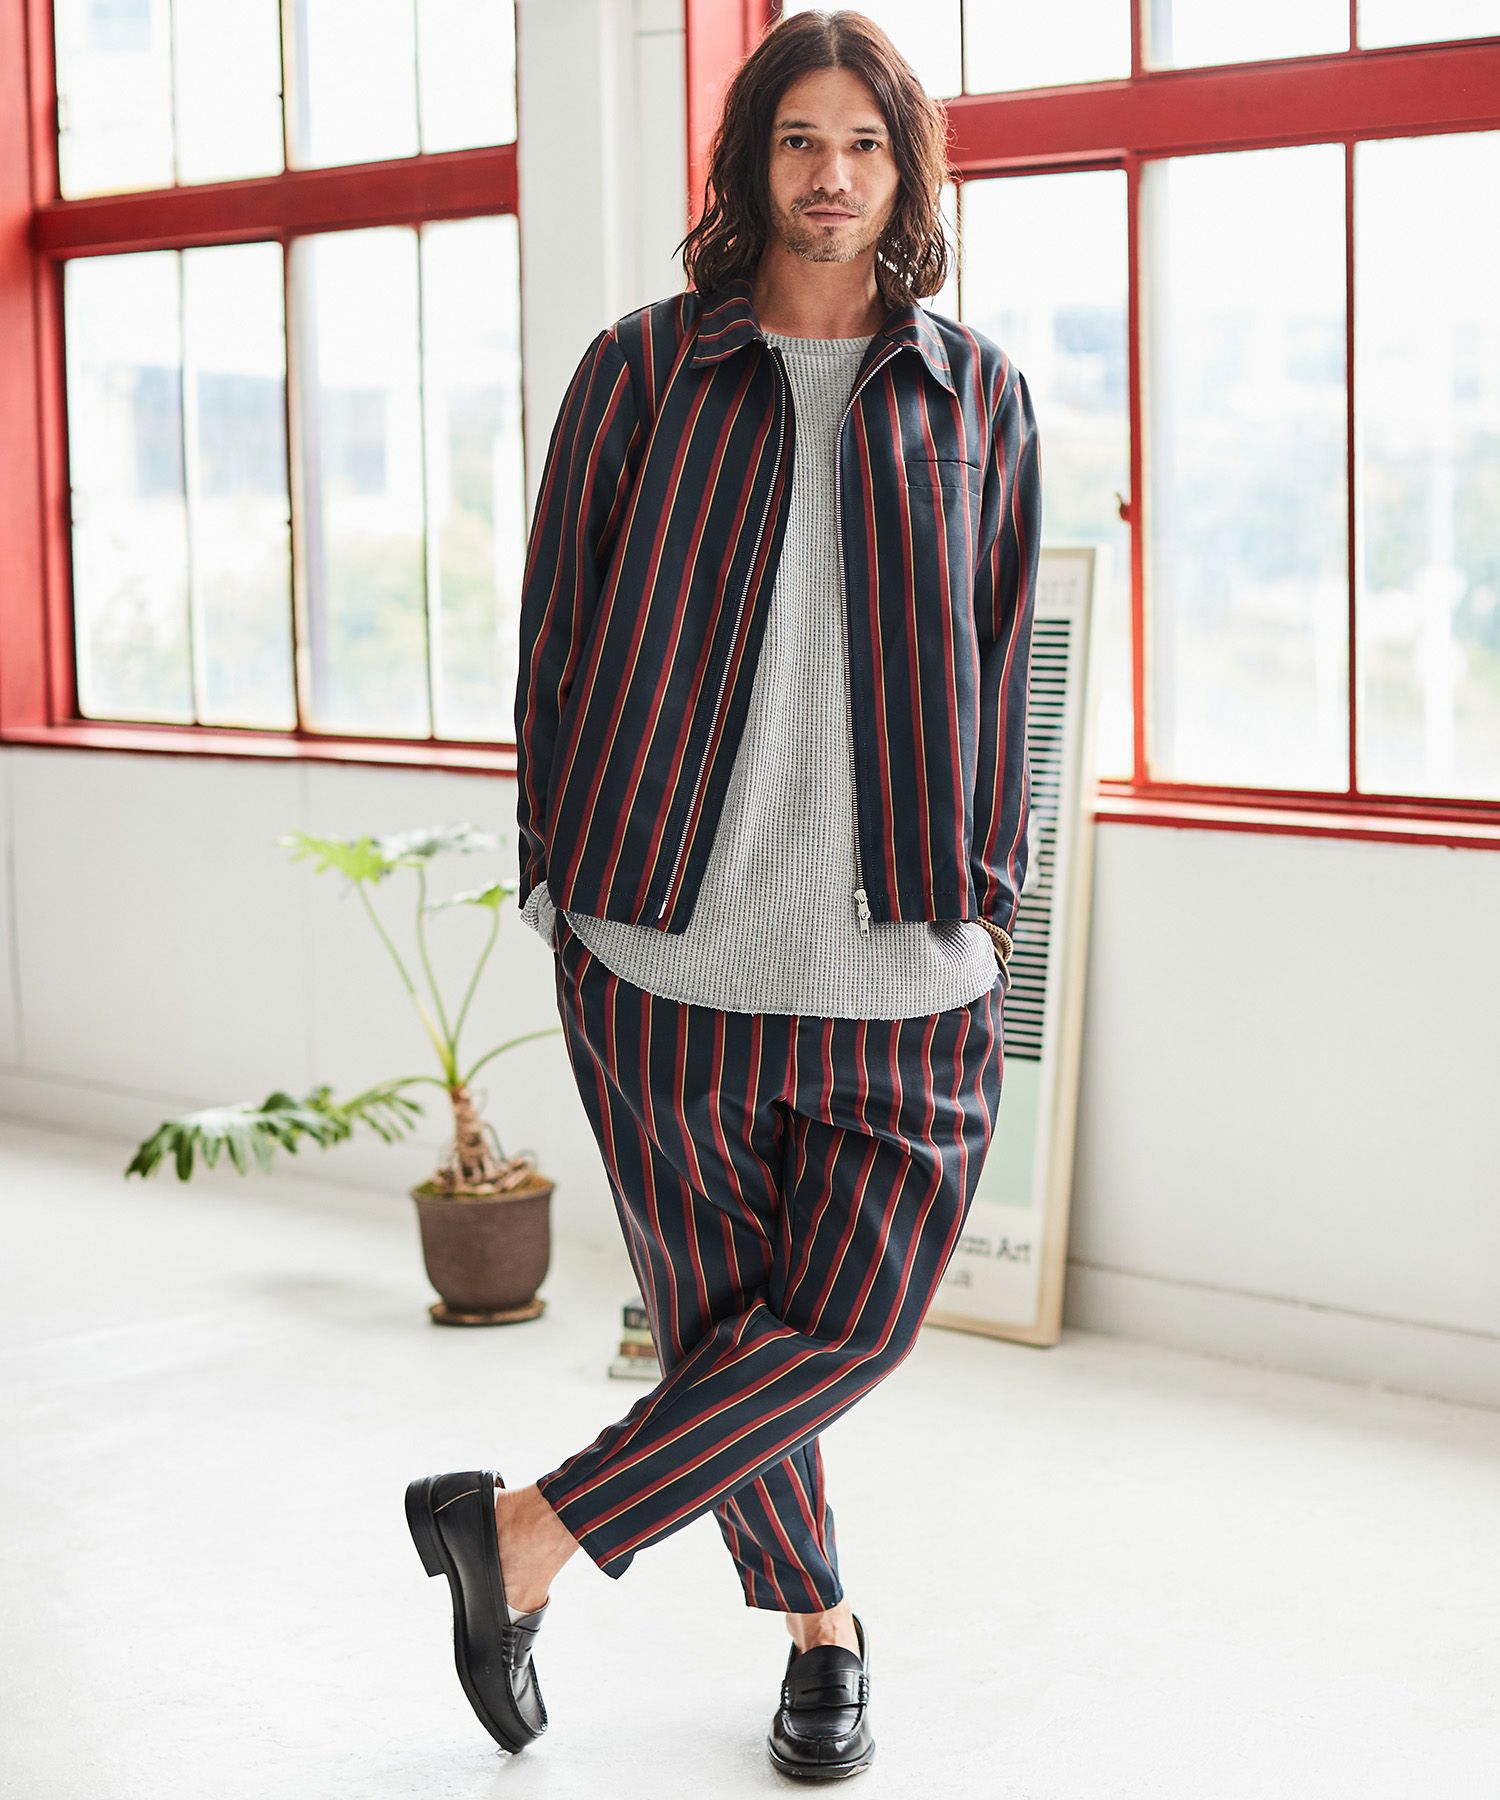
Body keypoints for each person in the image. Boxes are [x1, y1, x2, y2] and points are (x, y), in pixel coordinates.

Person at [405, 7, 1040, 1780]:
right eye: (798, 141)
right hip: (661, 956)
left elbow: (1005, 659)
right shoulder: (638, 373)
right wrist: (562, 885)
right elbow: (555, 635)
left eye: (865, 144)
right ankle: (820, 1634)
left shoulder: (978, 393)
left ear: (906, 171)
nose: (832, 176)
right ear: (750, 162)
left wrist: (993, 903)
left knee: (849, 1321)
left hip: (905, 962)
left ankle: (522, 1534)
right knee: (720, 1331)